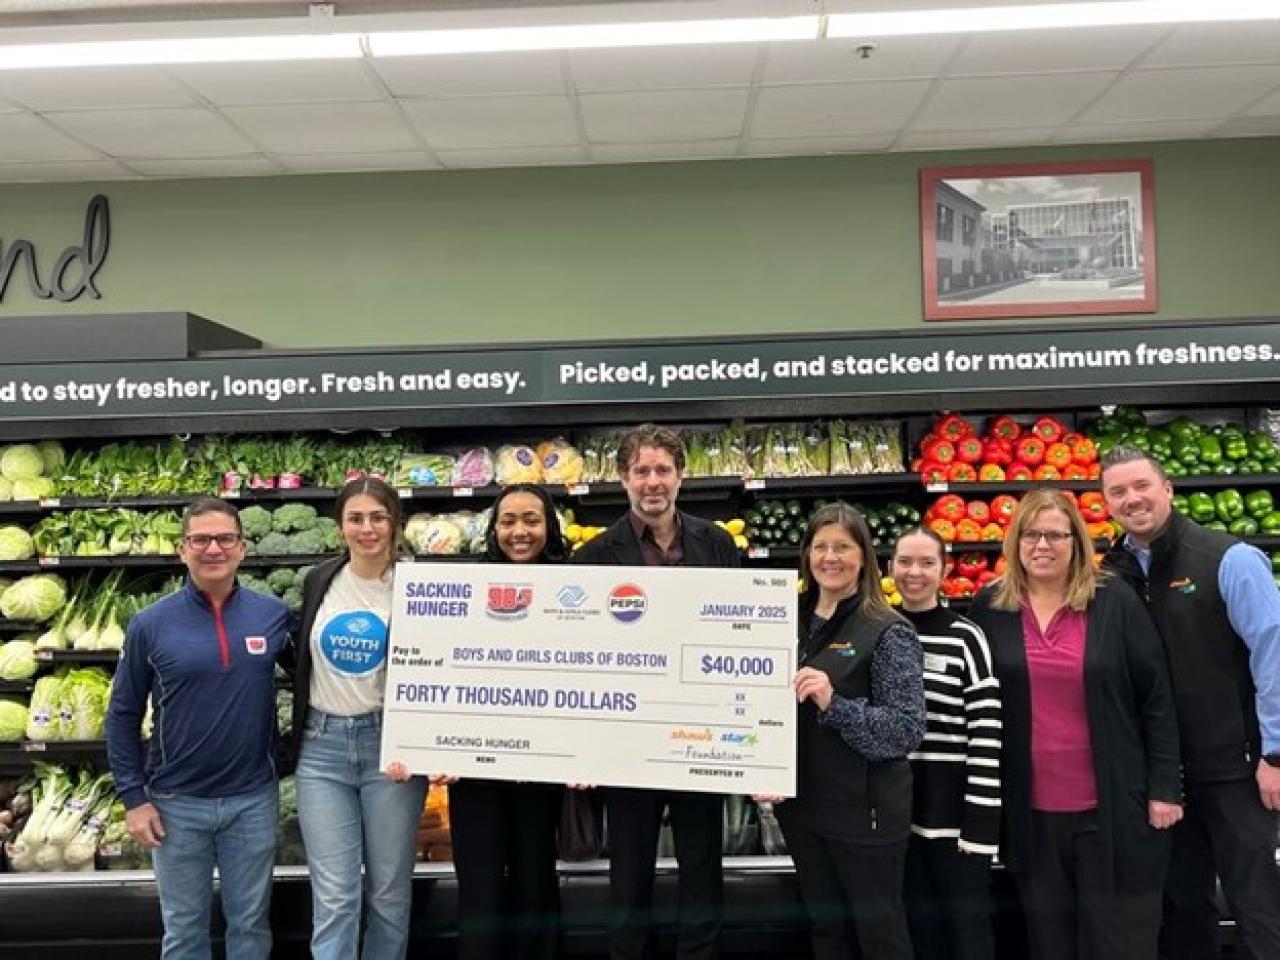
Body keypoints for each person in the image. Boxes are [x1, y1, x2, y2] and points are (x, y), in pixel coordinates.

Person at [967, 488, 1182, 960]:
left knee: (1118, 941)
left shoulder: (1114, 602)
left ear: (1076, 541)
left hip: (1111, 812)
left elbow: (1157, 698)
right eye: (1030, 535)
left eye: (1055, 535)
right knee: (1050, 943)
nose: (1042, 546)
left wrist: (1165, 788)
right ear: (1015, 542)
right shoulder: (990, 608)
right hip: (1031, 815)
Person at [1100, 445, 1280, 959]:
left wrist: (1275, 753)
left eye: (1141, 486)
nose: (1132, 499)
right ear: (1106, 503)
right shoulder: (1113, 574)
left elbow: (1274, 650)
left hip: (1238, 770)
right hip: (1163, 778)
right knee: (1183, 907)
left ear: (1168, 490)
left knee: (1257, 905)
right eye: (1118, 491)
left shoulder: (1229, 558)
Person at [572, 422, 739, 960]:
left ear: (679, 476)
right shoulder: (595, 556)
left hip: (699, 732)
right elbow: (581, 655)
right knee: (629, 874)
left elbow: (737, 629)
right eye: (641, 471)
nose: (652, 481)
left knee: (702, 869)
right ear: (623, 479)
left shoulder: (716, 543)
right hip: (629, 740)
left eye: (662, 470)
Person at [105, 497, 291, 960]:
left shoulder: (272, 615)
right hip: (175, 804)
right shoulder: (149, 624)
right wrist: (134, 797)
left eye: (224, 538)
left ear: (242, 549)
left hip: (252, 800)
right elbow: (123, 714)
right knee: (184, 931)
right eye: (200, 539)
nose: (213, 548)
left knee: (250, 925)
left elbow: (318, 677)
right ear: (182, 550)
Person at [761, 502, 925, 960]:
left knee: (879, 936)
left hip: (865, 816)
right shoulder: (780, 618)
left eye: (843, 547)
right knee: (826, 931)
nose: (830, 558)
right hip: (803, 810)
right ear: (807, 555)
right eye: (820, 547)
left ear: (864, 557)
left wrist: (835, 704)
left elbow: (905, 731)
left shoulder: (888, 629)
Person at [288, 476, 428, 960]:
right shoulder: (320, 580)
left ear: (394, 522)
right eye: (355, 518)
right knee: (334, 896)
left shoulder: (421, 584)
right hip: (320, 750)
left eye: (377, 517)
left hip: (388, 748)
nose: (366, 528)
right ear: (340, 526)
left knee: (389, 893)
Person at [446, 483, 568, 959]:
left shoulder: (575, 588)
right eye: (509, 521)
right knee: (478, 891)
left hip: (541, 768)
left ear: (549, 527)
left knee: (536, 884)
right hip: (475, 770)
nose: (520, 532)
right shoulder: (466, 591)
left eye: (532, 521)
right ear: (494, 530)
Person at [891, 528, 1001, 960]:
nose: (914, 573)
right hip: (899, 814)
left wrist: (981, 824)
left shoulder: (966, 636)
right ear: (889, 568)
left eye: (926, 563)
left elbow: (987, 732)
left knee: (969, 932)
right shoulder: (878, 630)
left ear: (944, 569)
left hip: (955, 816)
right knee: (918, 932)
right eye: (904, 562)